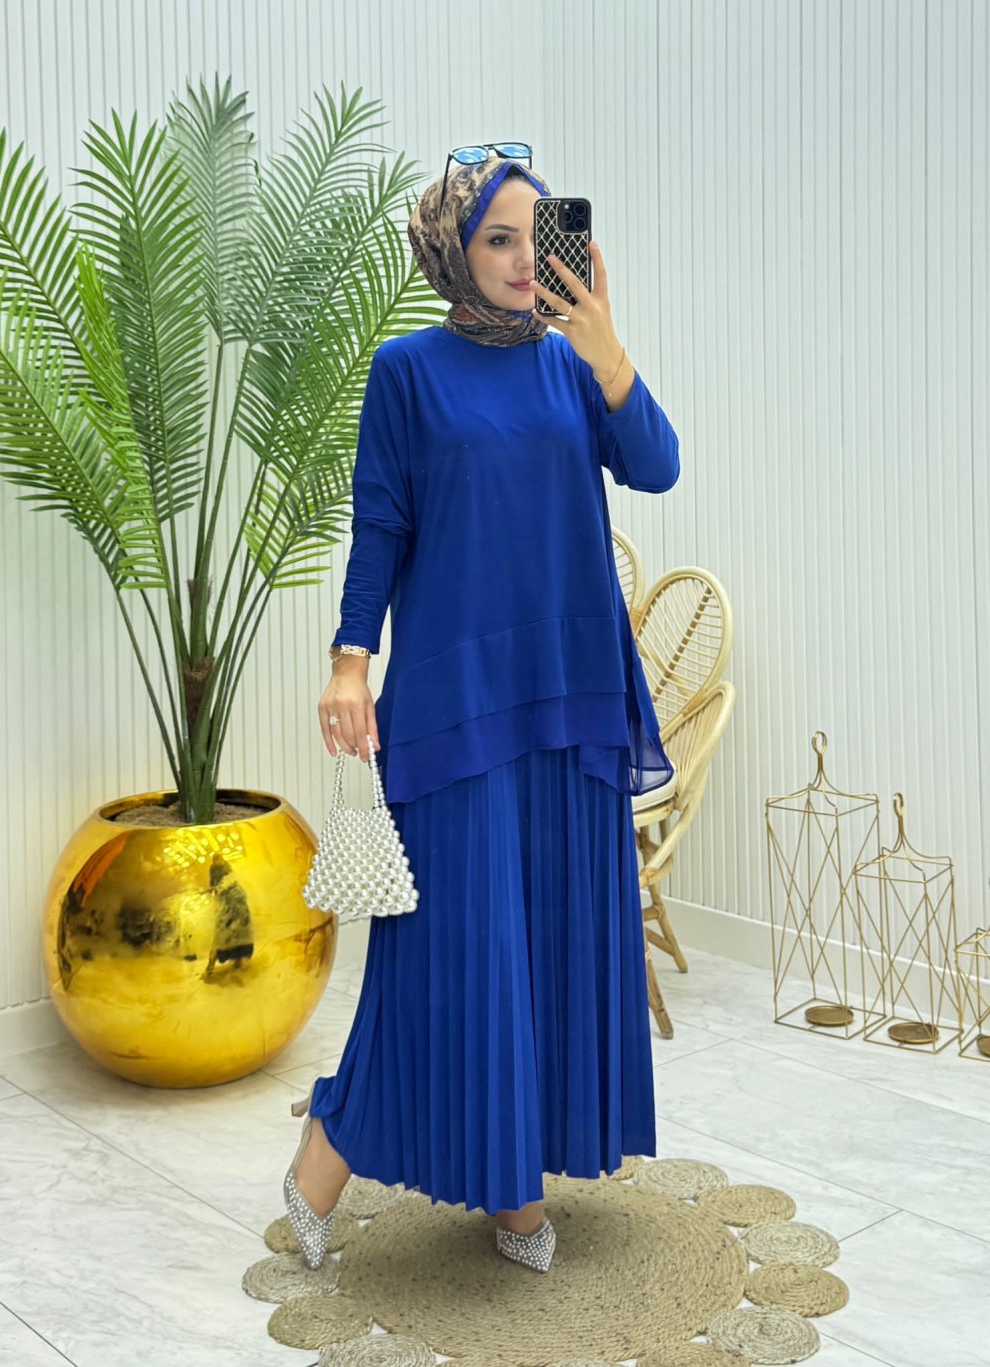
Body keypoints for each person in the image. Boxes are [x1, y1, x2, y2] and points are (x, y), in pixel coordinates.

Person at [282, 148, 680, 1275]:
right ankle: (328, 1145)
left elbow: (656, 467)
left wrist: (609, 352)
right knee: (446, 950)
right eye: (496, 239)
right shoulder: (406, 369)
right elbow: (381, 523)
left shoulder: (572, 365)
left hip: (571, 687)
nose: (518, 261)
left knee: (548, 939)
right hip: (455, 696)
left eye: (532, 238)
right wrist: (349, 661)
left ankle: (515, 1184)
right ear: (453, 249)